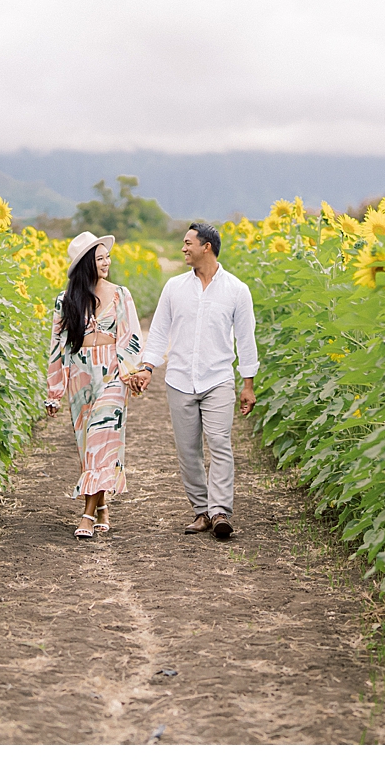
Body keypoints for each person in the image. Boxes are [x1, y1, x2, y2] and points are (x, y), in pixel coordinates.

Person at [131, 222, 258, 540]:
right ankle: (202, 512)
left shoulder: (236, 290)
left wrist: (248, 384)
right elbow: (159, 331)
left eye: (188, 243)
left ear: (207, 247)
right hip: (179, 379)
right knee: (188, 451)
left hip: (218, 379)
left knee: (220, 445)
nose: (183, 248)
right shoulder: (174, 287)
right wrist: (148, 367)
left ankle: (220, 512)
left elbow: (245, 339)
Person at [45, 231, 145, 539]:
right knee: (88, 447)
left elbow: (130, 334)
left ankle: (87, 515)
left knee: (102, 439)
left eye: (107, 257)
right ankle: (102, 507)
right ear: (86, 263)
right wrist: (54, 391)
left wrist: (132, 372)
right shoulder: (66, 301)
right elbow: (57, 346)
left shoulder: (120, 294)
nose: (106, 262)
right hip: (80, 374)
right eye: (99, 258)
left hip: (112, 374)